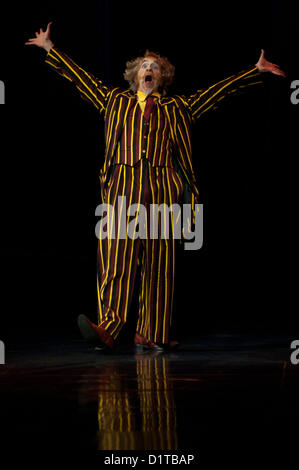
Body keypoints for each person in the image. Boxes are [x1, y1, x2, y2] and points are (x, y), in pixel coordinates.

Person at [25, 22, 285, 351]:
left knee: (160, 266)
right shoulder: (114, 101)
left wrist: (253, 71)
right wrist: (51, 49)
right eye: (145, 66)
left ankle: (151, 332)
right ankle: (109, 327)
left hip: (164, 190)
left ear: (162, 78)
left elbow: (216, 94)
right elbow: (81, 80)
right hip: (123, 189)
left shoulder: (178, 108)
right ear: (135, 76)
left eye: (156, 68)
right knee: (117, 257)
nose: (150, 70)